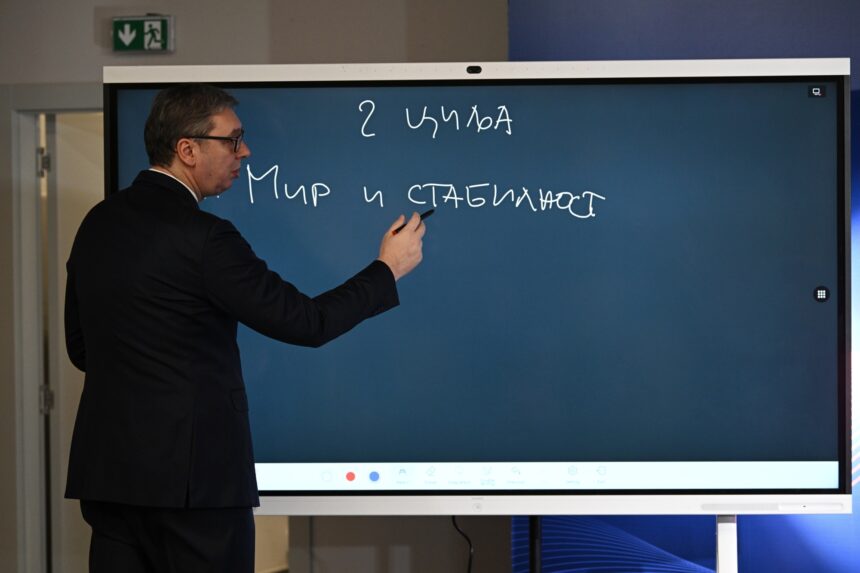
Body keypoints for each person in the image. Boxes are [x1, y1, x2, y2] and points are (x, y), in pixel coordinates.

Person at [64, 84, 426, 573]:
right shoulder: (205, 238)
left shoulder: (97, 223)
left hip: (109, 480)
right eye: (232, 140)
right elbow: (308, 322)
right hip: (196, 488)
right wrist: (387, 269)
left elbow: (81, 347)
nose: (245, 151)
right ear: (187, 149)